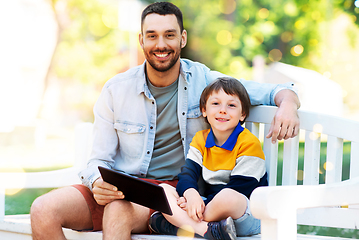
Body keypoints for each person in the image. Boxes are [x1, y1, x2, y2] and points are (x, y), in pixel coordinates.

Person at [30, 2, 300, 240]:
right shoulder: (116, 89)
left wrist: (288, 103)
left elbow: (266, 91)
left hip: (171, 194)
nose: (161, 44)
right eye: (152, 36)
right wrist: (96, 183)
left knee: (117, 212)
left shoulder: (204, 80)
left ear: (182, 38)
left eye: (169, 35)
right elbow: (98, 160)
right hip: (122, 187)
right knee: (43, 210)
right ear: (141, 40)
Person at [149, 77, 267, 240]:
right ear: (204, 110)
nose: (223, 110)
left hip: (247, 214)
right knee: (162, 190)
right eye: (215, 103)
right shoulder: (201, 139)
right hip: (212, 212)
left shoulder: (248, 143)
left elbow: (241, 188)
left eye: (231, 105)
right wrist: (191, 196)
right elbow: (187, 175)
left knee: (228, 196)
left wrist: (198, 207)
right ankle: (205, 229)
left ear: (242, 114)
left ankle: (180, 225)